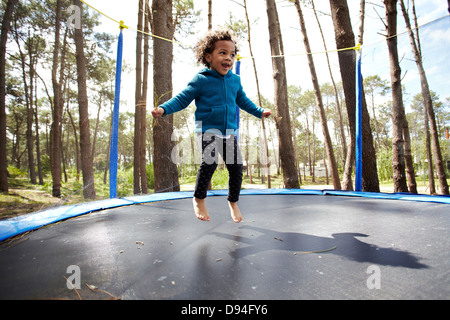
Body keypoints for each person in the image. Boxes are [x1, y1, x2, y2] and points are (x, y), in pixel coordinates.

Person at [152, 29, 271, 223]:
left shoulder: (235, 81)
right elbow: (182, 99)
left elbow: (243, 100)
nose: (228, 58)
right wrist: (163, 109)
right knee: (210, 162)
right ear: (208, 56)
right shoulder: (201, 80)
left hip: (229, 132)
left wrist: (259, 111)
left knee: (236, 167)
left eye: (232, 54)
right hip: (208, 130)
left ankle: (233, 201)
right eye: (222, 53)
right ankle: (199, 198)